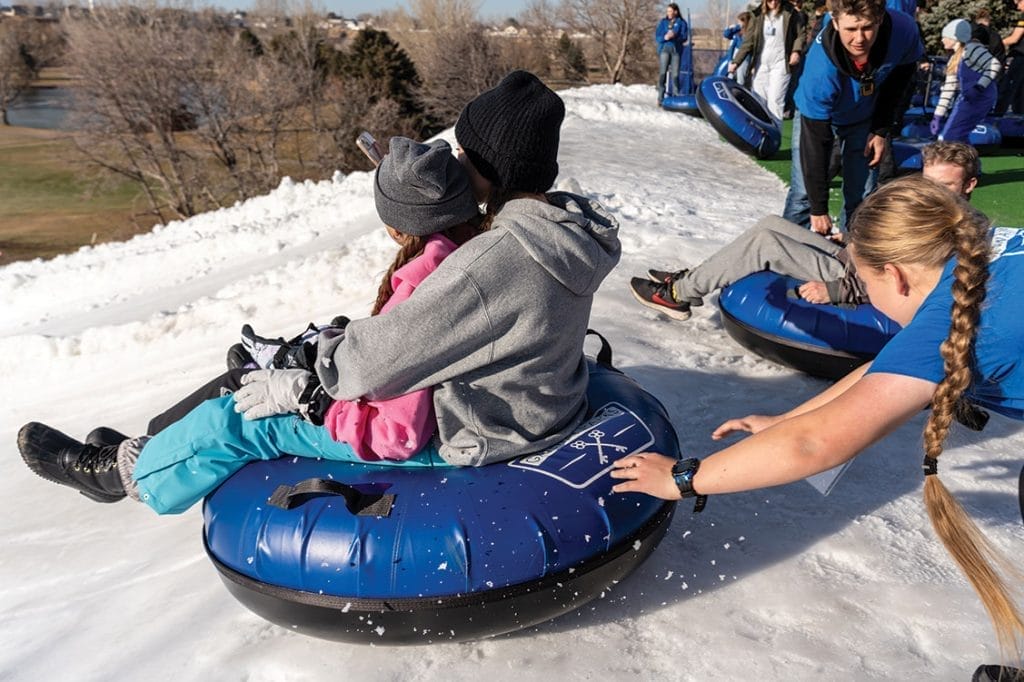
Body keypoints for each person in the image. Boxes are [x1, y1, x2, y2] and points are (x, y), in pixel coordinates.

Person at [18, 70, 623, 514]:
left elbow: (372, 366)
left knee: (241, 420)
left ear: (494, 165)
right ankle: (146, 444)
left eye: (465, 151)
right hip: (530, 407)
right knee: (271, 376)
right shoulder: (558, 230)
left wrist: (305, 381)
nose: (456, 160)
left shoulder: (494, 260)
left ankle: (122, 476)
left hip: (475, 432)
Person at [613, 176, 1024, 670]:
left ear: (893, 275)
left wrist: (681, 478)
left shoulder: (950, 316)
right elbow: (880, 371)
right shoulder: (981, 255)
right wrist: (789, 418)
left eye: (864, 283)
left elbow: (815, 446)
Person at [628, 141, 978, 318]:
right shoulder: (932, 211)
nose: (933, 192)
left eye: (945, 185)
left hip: (855, 276)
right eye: (929, 182)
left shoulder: (956, 232)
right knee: (771, 224)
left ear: (969, 185)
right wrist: (852, 240)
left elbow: (913, 286)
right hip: (853, 256)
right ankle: (698, 275)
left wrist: (837, 290)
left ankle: (678, 295)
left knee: (766, 245)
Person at [782, 0, 923, 235]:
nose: (859, 39)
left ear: (879, 19)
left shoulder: (903, 30)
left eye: (867, 27)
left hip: (865, 117)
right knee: (804, 194)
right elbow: (815, 139)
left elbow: (900, 79)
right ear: (835, 23)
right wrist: (818, 209)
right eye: (850, 29)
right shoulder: (820, 71)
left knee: (862, 194)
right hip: (820, 116)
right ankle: (786, 253)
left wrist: (880, 130)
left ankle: (853, 255)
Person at [728, 0, 806, 121]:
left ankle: (775, 135)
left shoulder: (791, 13)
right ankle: (759, 134)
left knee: (775, 100)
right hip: (761, 63)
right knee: (759, 100)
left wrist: (796, 51)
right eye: (770, 0)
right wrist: (736, 62)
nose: (774, 2)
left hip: (781, 63)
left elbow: (800, 34)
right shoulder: (756, 15)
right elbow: (748, 42)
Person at [930, 19, 1002, 144]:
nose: (941, 40)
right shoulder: (954, 58)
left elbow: (994, 65)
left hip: (980, 98)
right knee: (955, 135)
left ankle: (961, 162)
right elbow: (949, 88)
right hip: (968, 98)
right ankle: (968, 161)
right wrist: (938, 115)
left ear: (954, 38)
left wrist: (979, 87)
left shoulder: (972, 49)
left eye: (944, 37)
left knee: (950, 136)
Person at [994, 0, 1024, 116]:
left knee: (1008, 87)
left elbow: (1014, 38)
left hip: (1021, 57)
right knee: (1021, 91)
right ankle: (1019, 119)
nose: (1018, 7)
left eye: (1019, 3)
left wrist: (995, 45)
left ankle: (997, 116)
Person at [656, 3, 688, 104]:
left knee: (675, 74)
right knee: (663, 72)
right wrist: (664, 37)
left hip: (676, 51)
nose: (668, 13)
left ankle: (676, 97)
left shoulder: (682, 23)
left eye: (670, 11)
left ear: (676, 12)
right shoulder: (663, 22)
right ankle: (660, 97)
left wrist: (675, 36)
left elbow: (684, 37)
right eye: (667, 11)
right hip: (665, 49)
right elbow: (657, 36)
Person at [722, 12, 754, 86]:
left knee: (741, 79)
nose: (738, 23)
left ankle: (741, 93)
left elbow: (746, 47)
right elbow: (726, 34)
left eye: (740, 21)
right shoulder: (738, 31)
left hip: (744, 59)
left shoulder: (749, 33)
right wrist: (730, 28)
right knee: (730, 76)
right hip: (734, 57)